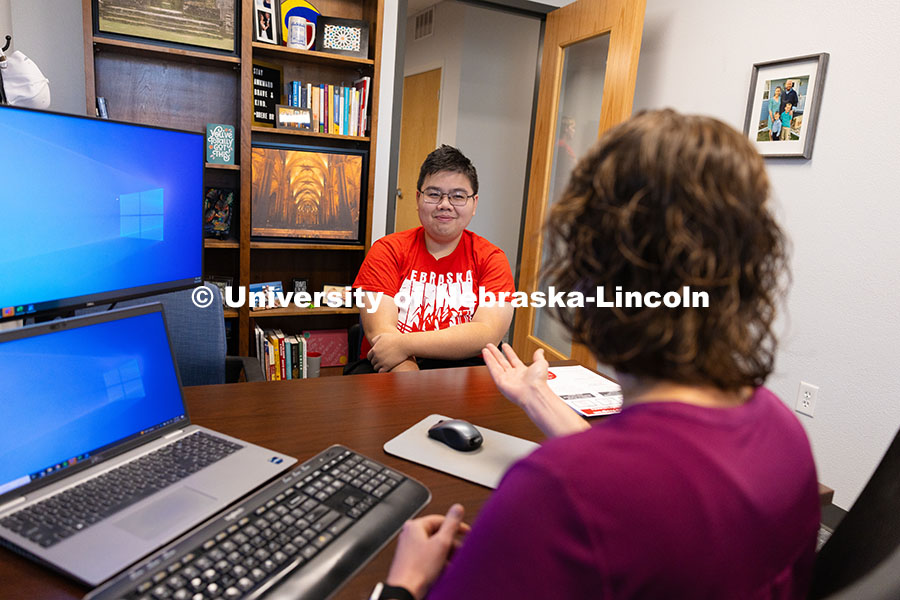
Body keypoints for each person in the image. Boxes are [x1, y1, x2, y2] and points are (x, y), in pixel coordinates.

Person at [375, 110, 820, 599]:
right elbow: (654, 491)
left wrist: (405, 583)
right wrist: (539, 400)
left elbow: (605, 491)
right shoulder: (787, 435)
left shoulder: (554, 491)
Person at [350, 145, 515, 373]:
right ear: (418, 198)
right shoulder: (386, 250)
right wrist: (416, 393)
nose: (445, 204)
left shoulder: (491, 258)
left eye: (458, 196)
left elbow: (486, 333)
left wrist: (405, 343)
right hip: (395, 369)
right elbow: (383, 337)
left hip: (467, 371)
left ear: (474, 203)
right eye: (434, 194)